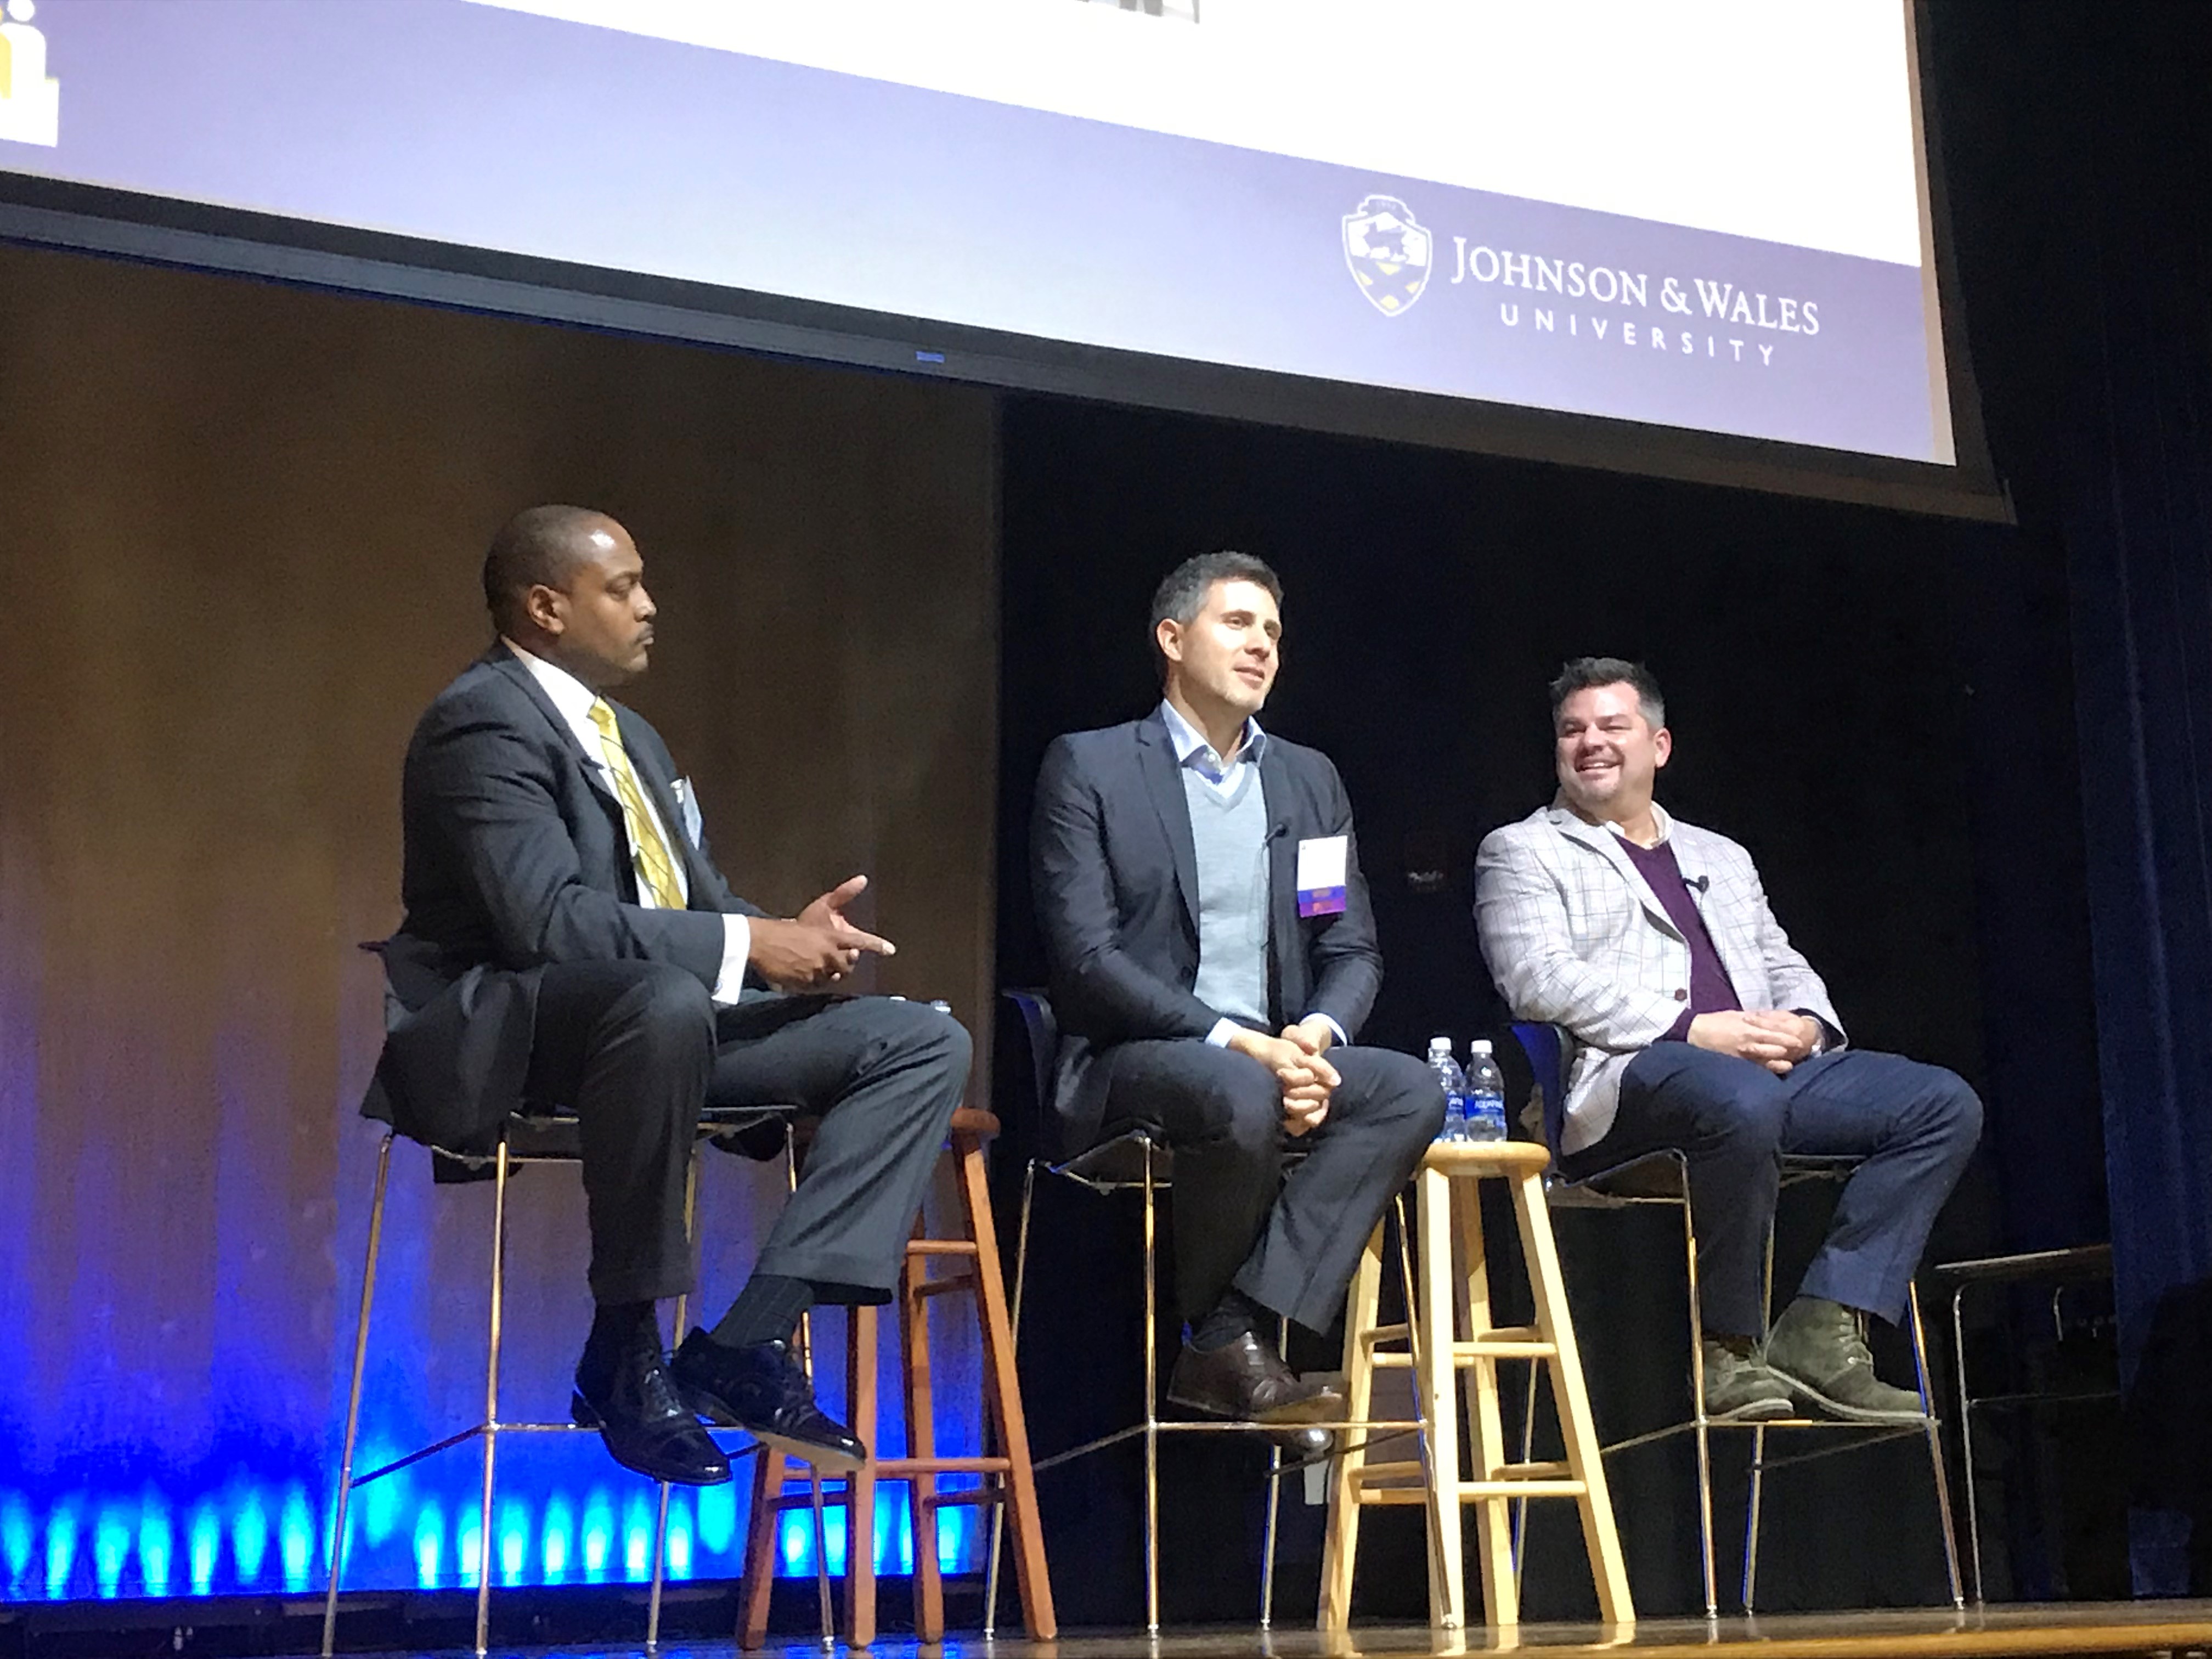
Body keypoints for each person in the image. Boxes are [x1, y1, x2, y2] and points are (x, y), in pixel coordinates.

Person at [363, 505, 968, 1486]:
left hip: (668, 1024)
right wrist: (745, 942)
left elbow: (693, 903)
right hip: (529, 1031)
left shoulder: (630, 736)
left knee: (920, 1041)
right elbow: (547, 926)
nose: (651, 607)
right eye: (624, 588)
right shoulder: (477, 723)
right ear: (546, 606)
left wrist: (790, 938)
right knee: (660, 1002)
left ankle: (744, 1341)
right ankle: (625, 1348)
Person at [1474, 657, 1982, 1423]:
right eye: (1573, 731)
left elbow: (1779, 958)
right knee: (1739, 1100)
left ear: (1660, 745)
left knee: (1941, 1104)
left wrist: (1807, 1025)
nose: (1591, 744)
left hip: (1760, 1077)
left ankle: (1825, 1320)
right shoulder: (1522, 850)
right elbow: (1537, 980)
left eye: (1612, 727)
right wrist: (1693, 1027)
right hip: (1629, 1076)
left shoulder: (1721, 856)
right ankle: (1727, 1346)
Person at [1030, 551, 1444, 1447]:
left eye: (1273, 633)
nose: (1262, 646)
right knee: (1239, 1088)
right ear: (1172, 641)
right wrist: (1241, 1044)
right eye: (1238, 624)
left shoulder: (1307, 780)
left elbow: (1350, 945)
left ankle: (1233, 1328)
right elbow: (1087, 964)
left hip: (1276, 1051)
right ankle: (1226, 1341)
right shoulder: (1092, 766)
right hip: (1133, 1053)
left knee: (1411, 1089)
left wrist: (1315, 1036)